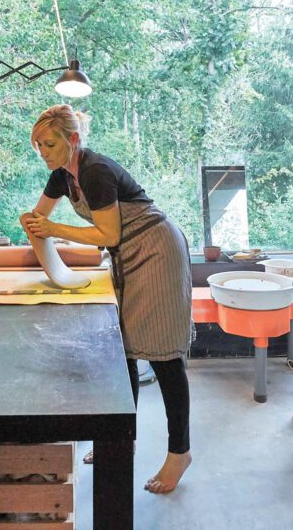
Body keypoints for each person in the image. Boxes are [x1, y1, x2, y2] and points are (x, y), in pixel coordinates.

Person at [20, 104, 193, 494]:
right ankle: (120, 439)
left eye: (48, 144)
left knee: (163, 355)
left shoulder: (95, 171)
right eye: (37, 146)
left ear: (73, 140)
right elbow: (39, 216)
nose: (42, 152)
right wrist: (30, 223)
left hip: (156, 249)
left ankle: (179, 452)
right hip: (129, 253)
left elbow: (108, 235)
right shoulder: (62, 176)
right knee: (126, 351)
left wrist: (52, 228)